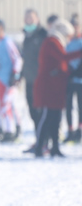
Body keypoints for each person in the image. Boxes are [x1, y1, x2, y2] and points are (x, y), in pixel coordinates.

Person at [31, 18, 82, 157]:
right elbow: (62, 57)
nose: (70, 39)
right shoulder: (52, 42)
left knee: (56, 118)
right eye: (69, 36)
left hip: (56, 86)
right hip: (49, 87)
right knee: (47, 116)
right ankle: (39, 146)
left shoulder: (55, 42)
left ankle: (55, 147)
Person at [0, 19, 23, 142]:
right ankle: (1, 129)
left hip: (9, 80)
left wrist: (15, 74)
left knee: (8, 105)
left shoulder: (7, 42)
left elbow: (17, 59)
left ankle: (12, 130)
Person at [21, 9, 48, 146]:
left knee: (41, 112)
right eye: (27, 18)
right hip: (29, 79)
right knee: (32, 112)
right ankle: (39, 139)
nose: (29, 20)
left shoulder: (43, 35)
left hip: (40, 80)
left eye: (31, 18)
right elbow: (26, 59)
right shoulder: (27, 35)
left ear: (37, 19)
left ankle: (43, 141)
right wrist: (20, 75)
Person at [64, 14, 82, 143]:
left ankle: (79, 131)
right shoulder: (66, 42)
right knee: (68, 106)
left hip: (80, 80)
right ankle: (70, 130)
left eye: (77, 26)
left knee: (80, 106)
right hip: (68, 80)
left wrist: (77, 72)